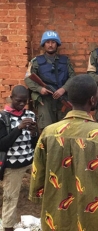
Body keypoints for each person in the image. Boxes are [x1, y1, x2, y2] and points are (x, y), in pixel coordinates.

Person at [29, 74, 98, 231]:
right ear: (92, 100)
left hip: (56, 223)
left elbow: (38, 184)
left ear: (70, 99)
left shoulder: (48, 133)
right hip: (94, 223)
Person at [0, 85, 38, 231]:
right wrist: (19, 128)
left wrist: (34, 133)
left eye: (25, 101)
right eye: (18, 101)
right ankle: (8, 227)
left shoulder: (30, 114)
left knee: (46, 188)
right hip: (12, 165)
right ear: (11, 97)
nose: (22, 104)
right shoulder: (3, 117)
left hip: (31, 162)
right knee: (10, 198)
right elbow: (2, 144)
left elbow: (34, 143)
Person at [24, 30, 75, 132]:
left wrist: (63, 89)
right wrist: (40, 89)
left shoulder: (65, 61)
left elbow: (73, 77)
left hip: (62, 99)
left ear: (57, 44)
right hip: (45, 101)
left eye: (53, 42)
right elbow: (28, 79)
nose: (50, 45)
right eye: (48, 42)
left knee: (65, 129)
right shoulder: (36, 61)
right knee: (46, 130)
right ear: (44, 44)